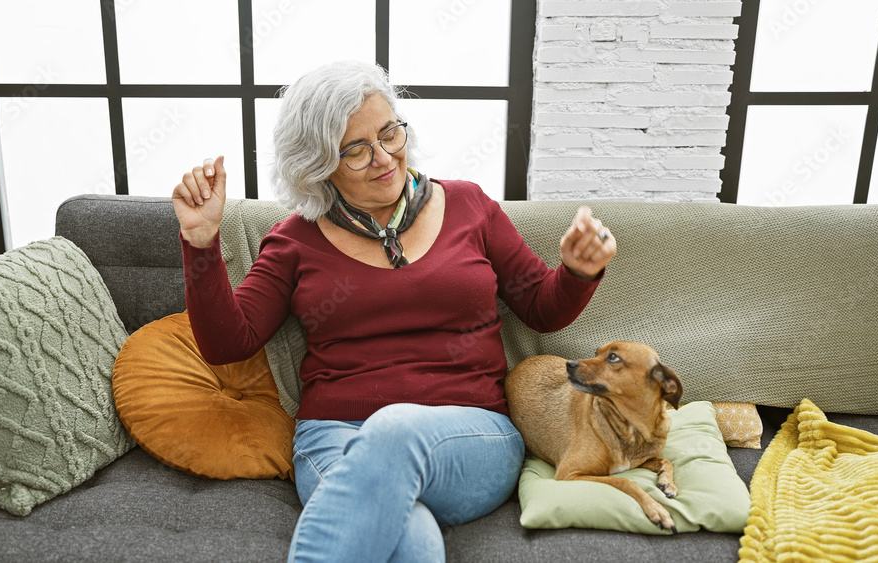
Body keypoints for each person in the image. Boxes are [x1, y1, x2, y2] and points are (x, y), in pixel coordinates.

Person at [171, 61, 616, 563]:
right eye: (356, 151)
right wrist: (201, 242)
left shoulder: (470, 206)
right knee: (412, 539)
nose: (383, 158)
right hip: (335, 440)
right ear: (317, 166)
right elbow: (228, 343)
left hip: (471, 437)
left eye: (389, 133)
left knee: (396, 427)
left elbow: (540, 305)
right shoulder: (294, 241)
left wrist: (577, 271)